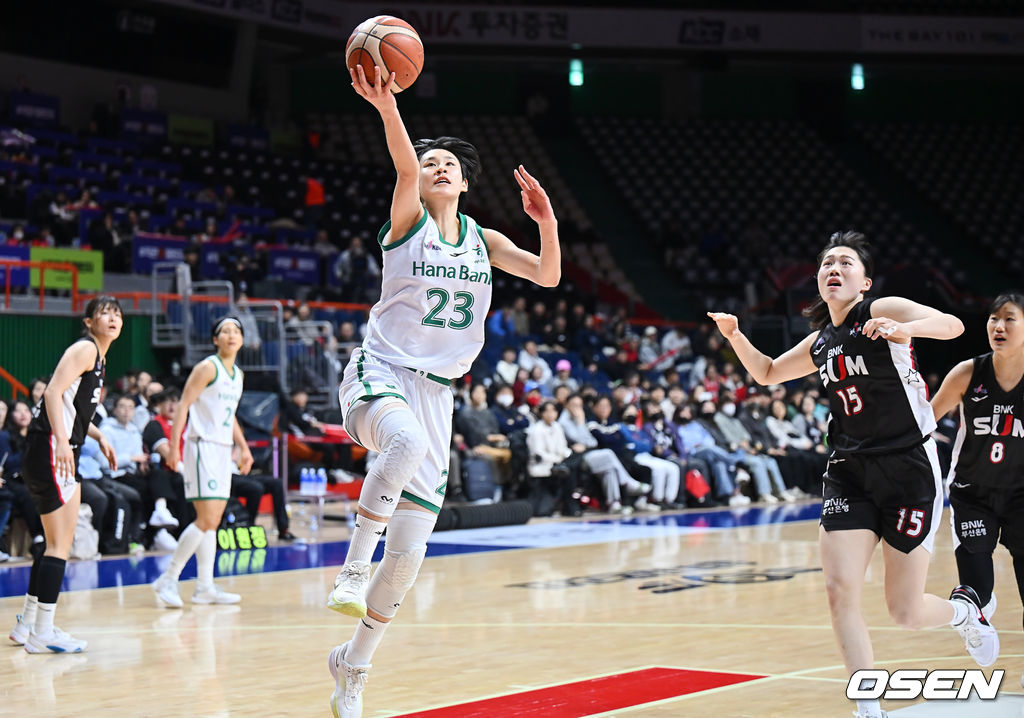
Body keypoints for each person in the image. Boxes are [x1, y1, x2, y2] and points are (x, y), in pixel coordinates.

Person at [326, 63, 561, 718]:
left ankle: (353, 664)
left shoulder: (484, 240)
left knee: (408, 556)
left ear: (463, 181)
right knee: (398, 444)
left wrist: (546, 221)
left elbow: (547, 275)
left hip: (437, 395)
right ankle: (352, 567)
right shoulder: (408, 222)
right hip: (381, 372)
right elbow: (404, 168)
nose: (436, 168)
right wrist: (388, 107)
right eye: (429, 162)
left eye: (447, 164)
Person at [708, 231, 993, 718]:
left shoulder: (880, 309)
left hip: (908, 466)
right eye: (826, 263)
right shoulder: (822, 341)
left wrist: (902, 328)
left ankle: (966, 612)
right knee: (839, 590)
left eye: (845, 262)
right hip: (849, 470)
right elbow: (769, 373)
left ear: (864, 282)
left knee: (905, 612)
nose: (834, 268)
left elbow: (952, 325)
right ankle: (868, 707)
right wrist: (735, 336)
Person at [8, 297, 122, 653]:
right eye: (104, 312)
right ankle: (43, 632)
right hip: (51, 448)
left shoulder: (99, 358)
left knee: (52, 542)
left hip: (53, 447)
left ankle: (27, 625)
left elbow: (73, 408)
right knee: (60, 545)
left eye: (117, 313)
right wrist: (60, 440)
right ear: (88, 322)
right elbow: (53, 393)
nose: (112, 318)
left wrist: (99, 436)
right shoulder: (85, 349)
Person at [930, 292, 1024, 675]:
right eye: (992, 318)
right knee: (978, 592)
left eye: (1009, 319)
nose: (998, 326)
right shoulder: (967, 373)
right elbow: (925, 422)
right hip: (973, 495)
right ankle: (973, 611)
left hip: (1021, 496)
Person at [151, 316, 254, 608]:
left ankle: (205, 587)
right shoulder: (208, 367)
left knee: (213, 522)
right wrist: (174, 447)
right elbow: (183, 404)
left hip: (222, 450)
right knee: (206, 519)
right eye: (225, 331)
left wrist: (243, 447)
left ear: (242, 339)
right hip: (201, 446)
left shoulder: (238, 374)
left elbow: (229, 415)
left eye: (236, 331)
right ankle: (168, 579)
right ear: (214, 339)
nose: (231, 335)